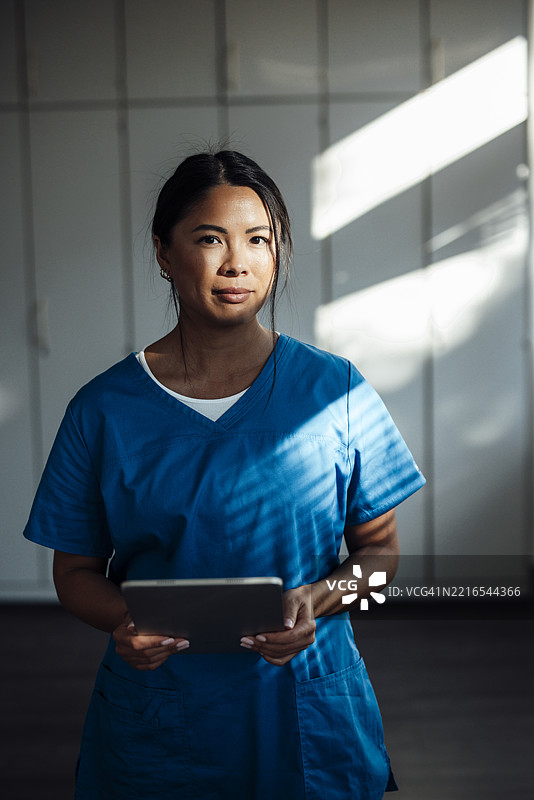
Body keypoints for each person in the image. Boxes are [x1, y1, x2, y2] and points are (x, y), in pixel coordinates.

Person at [24, 150, 425, 799]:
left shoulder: (335, 390)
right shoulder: (104, 410)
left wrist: (315, 602)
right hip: (162, 714)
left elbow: (380, 555)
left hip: (308, 706)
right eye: (210, 238)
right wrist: (126, 620)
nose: (237, 262)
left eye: (259, 240)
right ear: (163, 251)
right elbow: (72, 574)